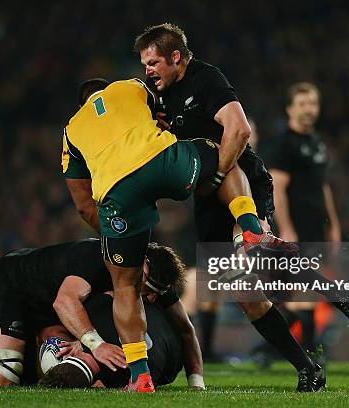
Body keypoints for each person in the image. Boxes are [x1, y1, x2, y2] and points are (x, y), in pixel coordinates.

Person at [63, 78, 306, 392]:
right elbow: (165, 117)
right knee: (224, 157)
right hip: (162, 163)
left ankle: (140, 376)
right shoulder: (128, 87)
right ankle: (250, 229)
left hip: (116, 194)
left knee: (125, 286)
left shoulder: (71, 131)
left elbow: (83, 205)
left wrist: (117, 237)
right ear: (106, 89)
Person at [133, 23, 326, 391]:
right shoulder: (161, 96)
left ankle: (336, 294)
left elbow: (239, 131)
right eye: (145, 65)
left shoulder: (206, 78)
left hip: (241, 181)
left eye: (154, 62)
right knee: (243, 293)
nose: (149, 71)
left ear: (176, 57)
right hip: (208, 197)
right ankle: (308, 367)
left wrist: (219, 176)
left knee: (256, 254)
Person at [0, 239, 200, 388]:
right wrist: (95, 343)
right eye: (150, 289)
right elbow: (64, 302)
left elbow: (185, 329)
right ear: (141, 267)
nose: (152, 299)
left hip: (36, 307)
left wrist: (196, 381)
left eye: (158, 293)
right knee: (1, 378)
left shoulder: (148, 279)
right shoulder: (98, 259)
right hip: (9, 286)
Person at [262, 82, 342, 353]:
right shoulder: (285, 145)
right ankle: (308, 352)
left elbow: (323, 186)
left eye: (313, 104)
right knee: (303, 291)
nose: (309, 109)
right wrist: (285, 228)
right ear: (290, 109)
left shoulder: (317, 143)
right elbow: (278, 188)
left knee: (300, 294)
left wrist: (333, 225)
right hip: (296, 227)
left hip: (315, 227)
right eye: (302, 104)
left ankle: (274, 349)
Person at [40, 292, 183, 389]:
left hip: (169, 364)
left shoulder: (116, 379)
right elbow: (112, 294)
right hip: (169, 340)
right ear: (72, 356)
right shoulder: (94, 310)